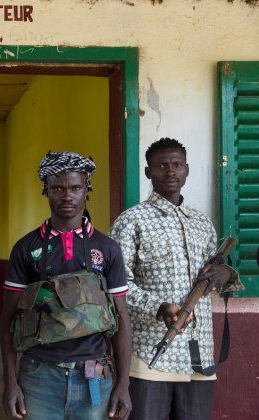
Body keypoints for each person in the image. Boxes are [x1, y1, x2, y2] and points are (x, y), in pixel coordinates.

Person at [109, 138, 243, 420]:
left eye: (176, 164)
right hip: (149, 355)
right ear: (148, 172)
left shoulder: (201, 222)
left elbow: (216, 271)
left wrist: (225, 273)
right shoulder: (131, 221)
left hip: (199, 356)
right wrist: (157, 307)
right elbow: (117, 286)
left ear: (187, 170)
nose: (170, 171)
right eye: (161, 165)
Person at [0, 151, 132, 420]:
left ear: (86, 191)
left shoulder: (107, 248)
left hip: (93, 374)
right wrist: (10, 383)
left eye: (75, 188)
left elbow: (122, 319)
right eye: (57, 188)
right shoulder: (27, 248)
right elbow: (7, 320)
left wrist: (123, 385)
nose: (67, 196)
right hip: (38, 375)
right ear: (46, 191)